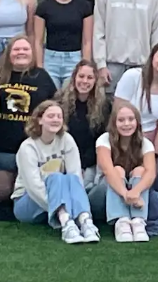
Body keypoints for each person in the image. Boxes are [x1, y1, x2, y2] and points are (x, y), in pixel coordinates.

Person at [11, 100, 99, 244]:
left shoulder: (67, 140)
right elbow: (34, 188)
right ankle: (67, 225)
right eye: (51, 116)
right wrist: (62, 210)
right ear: (39, 120)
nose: (56, 120)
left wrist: (73, 205)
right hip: (27, 203)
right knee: (56, 177)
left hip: (59, 199)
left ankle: (85, 221)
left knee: (70, 178)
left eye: (59, 116)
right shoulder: (28, 147)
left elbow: (76, 177)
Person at [0, 36, 58, 202]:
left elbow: (54, 108)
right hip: (0, 153)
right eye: (16, 49)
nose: (21, 53)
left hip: (31, 152)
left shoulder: (42, 77)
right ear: (8, 53)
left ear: (32, 53)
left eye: (25, 49)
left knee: (29, 196)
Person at [94, 104, 157, 242]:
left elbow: (151, 172)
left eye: (130, 119)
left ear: (137, 122)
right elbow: (108, 171)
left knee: (141, 170)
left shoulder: (145, 143)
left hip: (133, 196)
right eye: (121, 120)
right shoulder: (104, 140)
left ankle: (138, 221)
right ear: (114, 123)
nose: (126, 124)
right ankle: (121, 221)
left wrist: (135, 192)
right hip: (103, 193)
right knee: (118, 170)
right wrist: (127, 194)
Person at [34, 0, 93, 89]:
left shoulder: (84, 7)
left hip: (74, 59)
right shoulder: (44, 7)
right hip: (50, 60)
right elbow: (38, 41)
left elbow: (87, 41)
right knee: (50, 97)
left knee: (70, 98)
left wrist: (86, 65)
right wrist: (39, 67)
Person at [113, 42, 158, 151]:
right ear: (152, 58)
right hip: (126, 142)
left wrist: (155, 154)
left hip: (149, 145)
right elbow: (117, 111)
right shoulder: (132, 76)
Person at [55, 60, 108, 188]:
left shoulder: (104, 106)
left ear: (95, 81)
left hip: (88, 163)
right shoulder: (59, 101)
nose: (85, 81)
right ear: (74, 78)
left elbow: (100, 139)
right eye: (81, 76)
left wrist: (82, 165)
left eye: (90, 78)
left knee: (82, 187)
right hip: (62, 160)